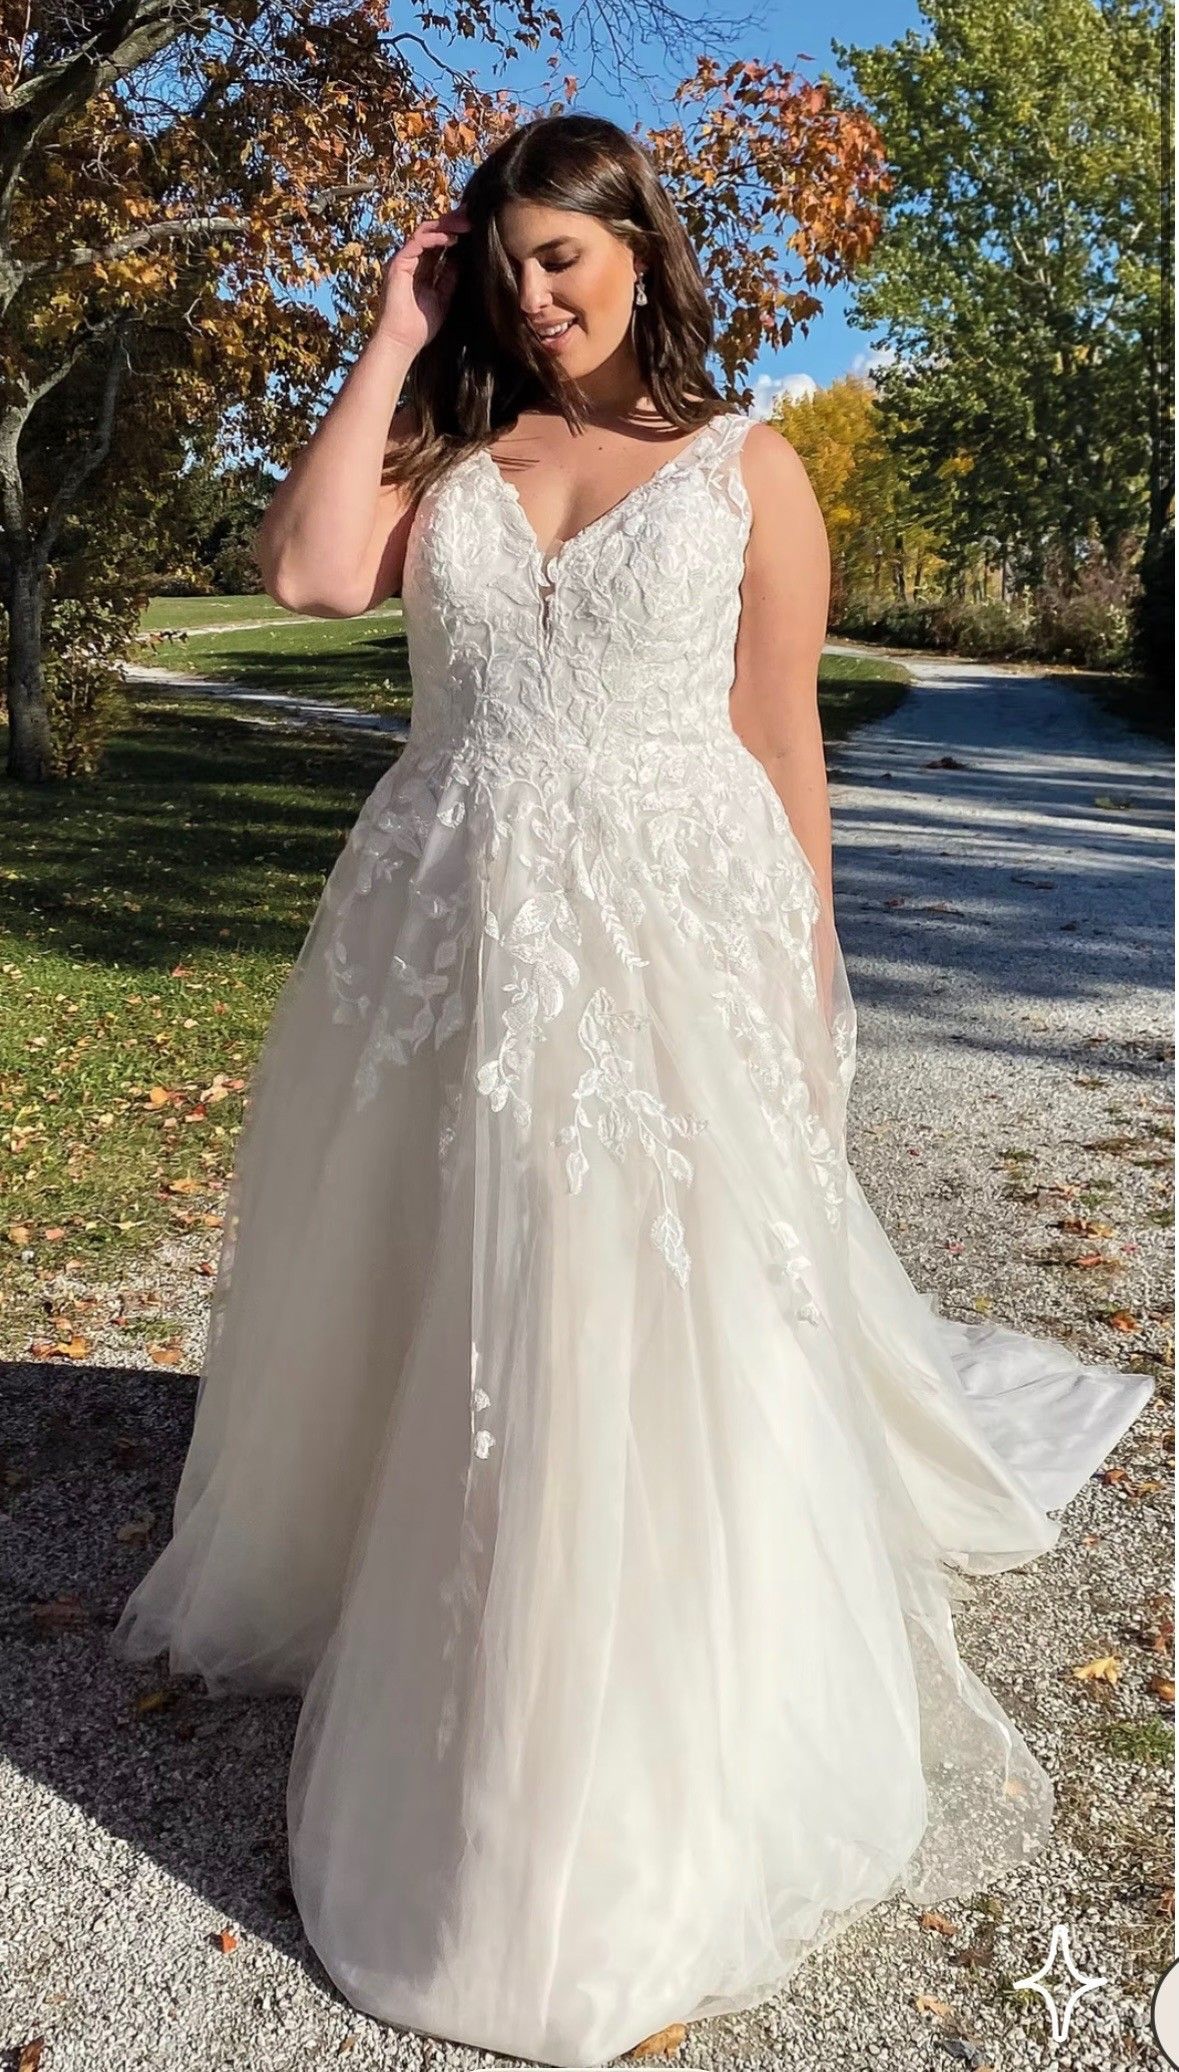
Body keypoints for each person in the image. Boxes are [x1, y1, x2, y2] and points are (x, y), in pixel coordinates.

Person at [110, 111, 1155, 2067]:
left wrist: (808, 974)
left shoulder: (746, 471)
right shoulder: (450, 448)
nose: (533, 291)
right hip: (442, 937)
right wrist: (387, 338)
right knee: (446, 1279)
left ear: (643, 256)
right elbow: (313, 574)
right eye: (501, 261)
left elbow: (778, 749)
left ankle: (604, 1719)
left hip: (666, 944)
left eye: (563, 257)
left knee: (616, 1311)